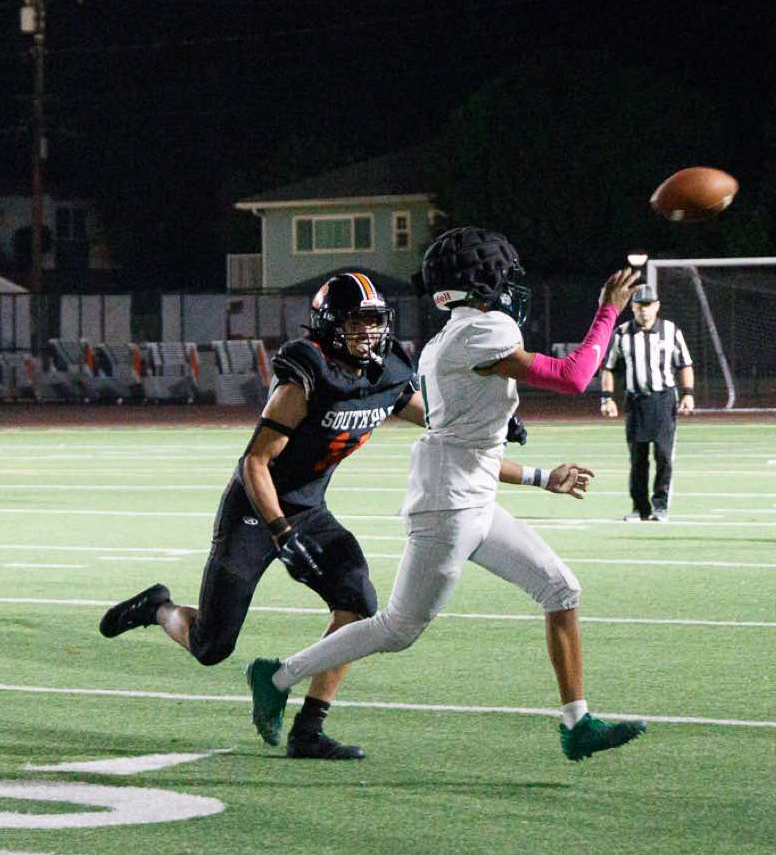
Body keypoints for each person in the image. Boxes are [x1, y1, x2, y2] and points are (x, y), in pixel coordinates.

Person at [245, 228, 646, 764]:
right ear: (482, 282)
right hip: (449, 506)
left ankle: (577, 724)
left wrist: (539, 477)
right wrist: (608, 311)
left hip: (472, 494)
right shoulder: (482, 330)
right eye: (503, 275)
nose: (510, 285)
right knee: (397, 629)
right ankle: (277, 676)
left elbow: (469, 443)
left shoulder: (449, 338)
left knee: (561, 589)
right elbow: (574, 377)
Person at [100, 272, 419, 760]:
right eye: (356, 322)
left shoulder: (387, 373)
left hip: (309, 508)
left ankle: (308, 730)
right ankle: (158, 608)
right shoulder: (306, 376)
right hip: (254, 510)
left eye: (373, 321)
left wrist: (492, 425)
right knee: (211, 646)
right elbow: (255, 462)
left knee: (357, 603)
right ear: (330, 325)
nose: (368, 333)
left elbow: (435, 418)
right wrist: (282, 534)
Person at [597, 284, 695, 522]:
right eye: (640, 305)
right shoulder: (622, 333)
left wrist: (688, 394)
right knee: (638, 458)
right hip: (636, 401)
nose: (644, 310)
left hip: (663, 399)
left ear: (657, 306)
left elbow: (685, 364)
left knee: (663, 455)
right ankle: (640, 508)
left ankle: (660, 506)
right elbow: (608, 367)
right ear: (632, 307)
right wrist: (607, 398)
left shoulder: (671, 331)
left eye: (648, 305)